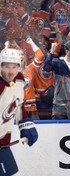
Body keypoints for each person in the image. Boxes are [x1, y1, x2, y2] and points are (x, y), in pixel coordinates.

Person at [0, 48, 38, 176]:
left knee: (10, 172)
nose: (10, 72)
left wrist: (25, 126)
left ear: (19, 66)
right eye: (6, 67)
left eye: (14, 67)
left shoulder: (20, 79)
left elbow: (18, 104)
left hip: (3, 144)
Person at [43, 40, 70, 119]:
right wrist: (51, 52)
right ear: (67, 51)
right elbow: (46, 67)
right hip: (60, 106)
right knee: (58, 130)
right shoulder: (58, 63)